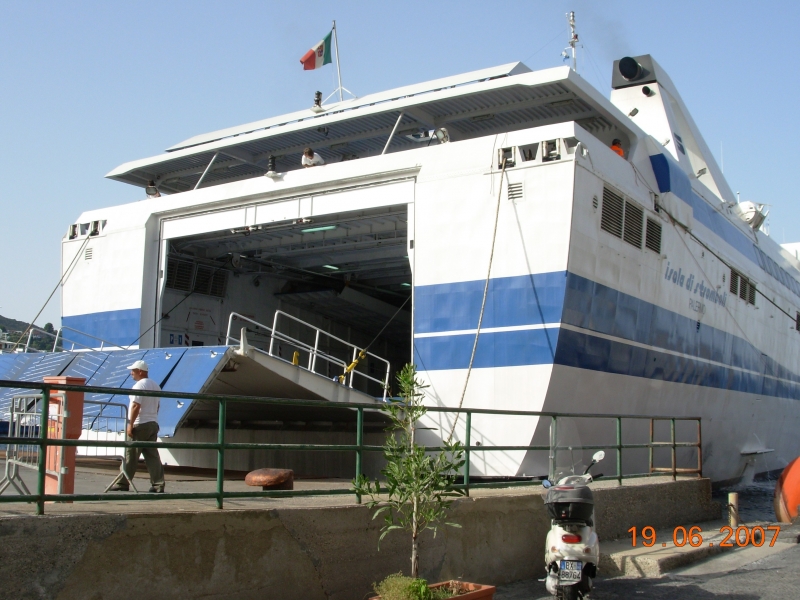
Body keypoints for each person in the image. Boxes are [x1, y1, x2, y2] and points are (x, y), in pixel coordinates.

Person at [110, 360, 165, 493]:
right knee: (152, 456)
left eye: (133, 371)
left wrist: (131, 424)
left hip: (140, 424)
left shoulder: (139, 386)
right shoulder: (155, 386)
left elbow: (135, 405)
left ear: (140, 371)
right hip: (153, 423)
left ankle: (122, 482)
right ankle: (158, 484)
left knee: (131, 454)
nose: (131, 373)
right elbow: (157, 406)